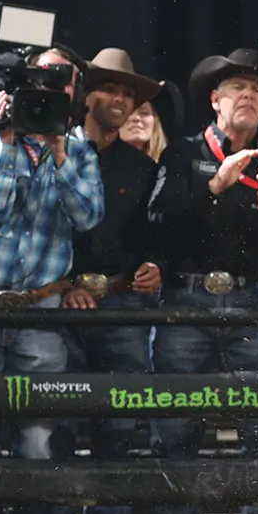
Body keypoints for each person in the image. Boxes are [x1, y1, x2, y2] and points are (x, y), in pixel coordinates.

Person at [0, 47, 102, 463]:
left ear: (74, 91)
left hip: (41, 311)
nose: (49, 89)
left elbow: (87, 217)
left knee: (39, 442)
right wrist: (7, 139)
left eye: (62, 80)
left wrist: (59, 152)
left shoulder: (80, 149)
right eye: (42, 79)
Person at [148, 48, 258, 463]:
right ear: (216, 99)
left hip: (250, 303)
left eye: (257, 90)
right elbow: (159, 224)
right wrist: (213, 186)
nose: (247, 94)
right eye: (237, 87)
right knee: (176, 427)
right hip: (185, 303)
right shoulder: (180, 154)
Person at [65, 49, 166, 459]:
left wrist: (157, 266)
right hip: (59, 307)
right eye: (109, 89)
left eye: (128, 93)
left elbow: (155, 236)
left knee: (120, 427)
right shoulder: (57, 152)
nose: (121, 99)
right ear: (87, 96)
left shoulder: (143, 168)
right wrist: (66, 285)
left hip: (123, 306)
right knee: (58, 424)